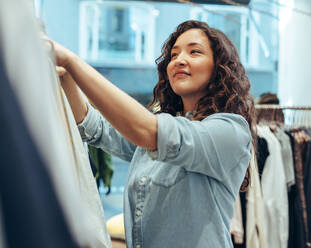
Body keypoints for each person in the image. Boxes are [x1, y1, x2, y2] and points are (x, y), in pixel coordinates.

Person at [52, 20, 255, 248]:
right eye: (174, 54)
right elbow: (97, 128)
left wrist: (72, 61)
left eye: (194, 52)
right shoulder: (162, 124)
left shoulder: (230, 132)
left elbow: (146, 131)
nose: (179, 60)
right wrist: (65, 73)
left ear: (219, 68)